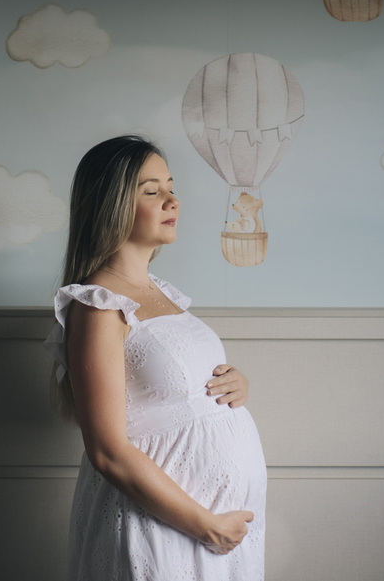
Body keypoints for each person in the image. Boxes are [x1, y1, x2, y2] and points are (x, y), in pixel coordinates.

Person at [42, 135, 267, 580]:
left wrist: (235, 384)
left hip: (218, 533)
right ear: (111, 205)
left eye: (170, 186)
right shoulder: (97, 307)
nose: (171, 200)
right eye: (151, 191)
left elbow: (174, 388)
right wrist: (207, 526)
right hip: (165, 526)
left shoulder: (163, 293)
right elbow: (107, 451)